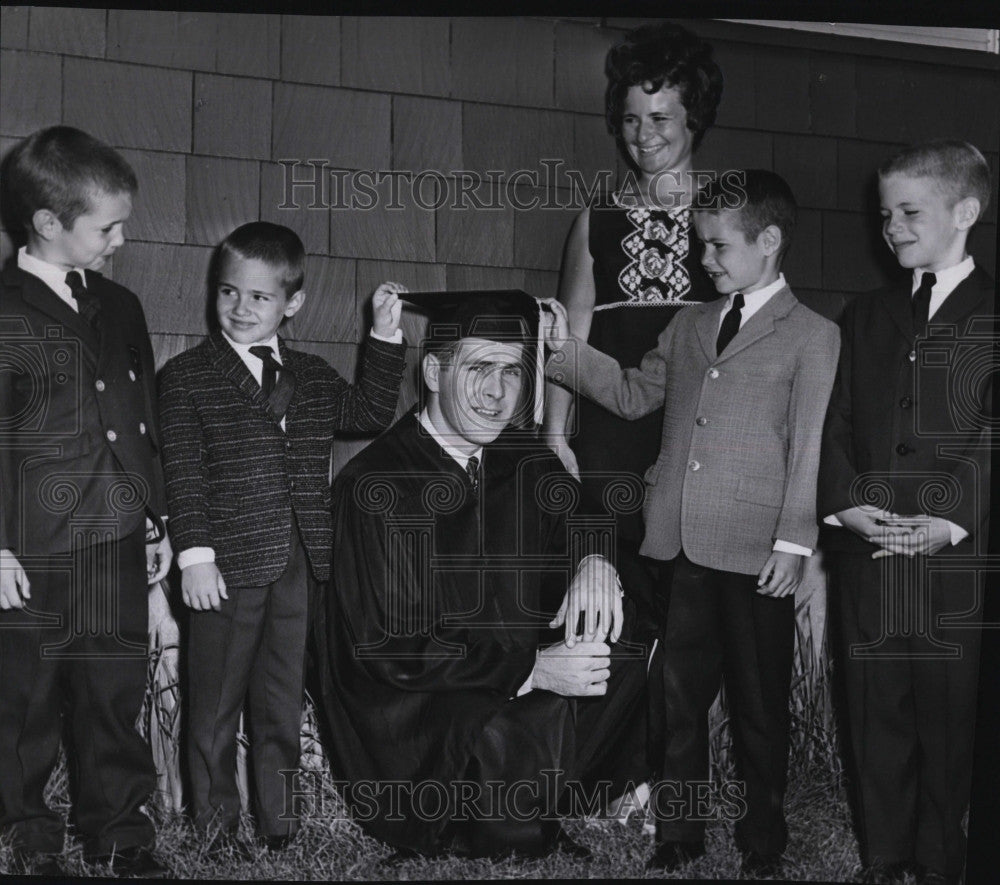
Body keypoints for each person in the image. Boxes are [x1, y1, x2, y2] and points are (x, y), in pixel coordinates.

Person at [546, 170, 841, 875]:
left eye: (716, 248)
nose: (702, 261)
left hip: (757, 552)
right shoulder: (688, 325)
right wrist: (562, 347)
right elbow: (626, 394)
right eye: (700, 245)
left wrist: (795, 540)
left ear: (768, 242)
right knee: (677, 697)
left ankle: (763, 841)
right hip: (679, 543)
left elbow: (807, 449)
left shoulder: (812, 335)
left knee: (759, 701)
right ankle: (679, 836)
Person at [313, 290, 646, 860]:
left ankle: (567, 795)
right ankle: (476, 824)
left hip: (505, 665)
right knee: (497, 730)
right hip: (417, 708)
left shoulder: (519, 455)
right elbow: (395, 649)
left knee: (630, 627)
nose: (498, 393)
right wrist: (533, 670)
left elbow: (585, 511)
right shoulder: (380, 488)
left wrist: (593, 558)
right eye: (479, 369)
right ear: (435, 371)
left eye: (513, 372)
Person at [157, 222, 406, 853]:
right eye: (228, 293)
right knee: (213, 707)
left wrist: (384, 333)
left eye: (259, 297)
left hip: (299, 562)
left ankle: (280, 826)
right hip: (224, 566)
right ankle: (214, 832)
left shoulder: (312, 375)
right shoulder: (188, 376)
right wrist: (194, 557)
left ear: (291, 303)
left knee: (280, 702)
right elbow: (184, 472)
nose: (240, 308)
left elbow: (370, 413)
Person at [819, 141, 993, 885]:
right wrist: (848, 504)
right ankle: (884, 859)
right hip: (871, 552)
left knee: (950, 723)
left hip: (957, 565)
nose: (891, 226)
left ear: (965, 212)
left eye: (909, 211)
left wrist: (947, 519)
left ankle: (941, 860)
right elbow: (837, 422)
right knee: (876, 712)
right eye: (884, 213)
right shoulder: (867, 315)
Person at [0, 126, 172, 878]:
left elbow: (140, 419)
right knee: (24, 702)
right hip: (28, 547)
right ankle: (25, 838)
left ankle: (119, 834)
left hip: (114, 532)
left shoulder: (122, 305)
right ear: (47, 224)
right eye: (107, 227)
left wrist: (155, 517)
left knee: (112, 690)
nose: (121, 239)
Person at [544, 22, 723, 633]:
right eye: (630, 120)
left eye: (661, 119)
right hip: (608, 441)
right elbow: (567, 337)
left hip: (697, 439)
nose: (642, 136)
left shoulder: (729, 217)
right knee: (611, 605)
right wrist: (554, 434)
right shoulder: (595, 219)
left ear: (694, 118)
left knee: (687, 620)